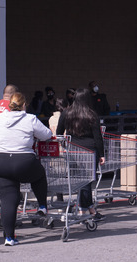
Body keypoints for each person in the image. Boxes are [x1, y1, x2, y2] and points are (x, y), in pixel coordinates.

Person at [0, 92, 53, 246]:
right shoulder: (30, 119)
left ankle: (9, 238)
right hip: (23, 161)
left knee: (8, 201)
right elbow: (46, 135)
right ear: (24, 105)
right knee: (39, 175)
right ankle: (42, 205)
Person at [56, 88, 106, 220]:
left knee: (80, 181)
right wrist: (102, 154)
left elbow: (59, 132)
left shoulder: (66, 113)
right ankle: (84, 210)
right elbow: (97, 137)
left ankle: (89, 208)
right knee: (86, 181)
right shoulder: (91, 114)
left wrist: (65, 145)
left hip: (73, 149)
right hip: (90, 150)